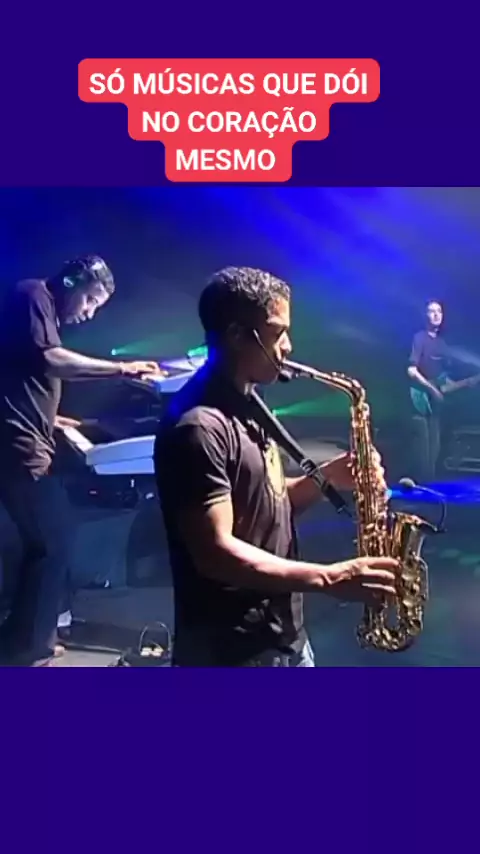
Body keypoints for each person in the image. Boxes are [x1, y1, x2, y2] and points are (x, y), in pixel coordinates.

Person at [154, 266, 398, 667]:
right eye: (277, 332)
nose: (288, 346)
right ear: (237, 334)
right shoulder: (198, 427)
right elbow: (214, 553)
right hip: (232, 653)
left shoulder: (248, 403)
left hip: (281, 637)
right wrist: (329, 577)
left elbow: (264, 505)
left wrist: (327, 477)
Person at [0, 255, 160, 666]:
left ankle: (26, 637)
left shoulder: (41, 310)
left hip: (27, 438)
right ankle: (27, 645)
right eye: (90, 300)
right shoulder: (34, 294)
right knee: (53, 541)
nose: (89, 314)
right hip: (19, 446)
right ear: (72, 281)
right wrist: (122, 369)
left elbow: (18, 374)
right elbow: (50, 360)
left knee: (45, 542)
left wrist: (51, 418)